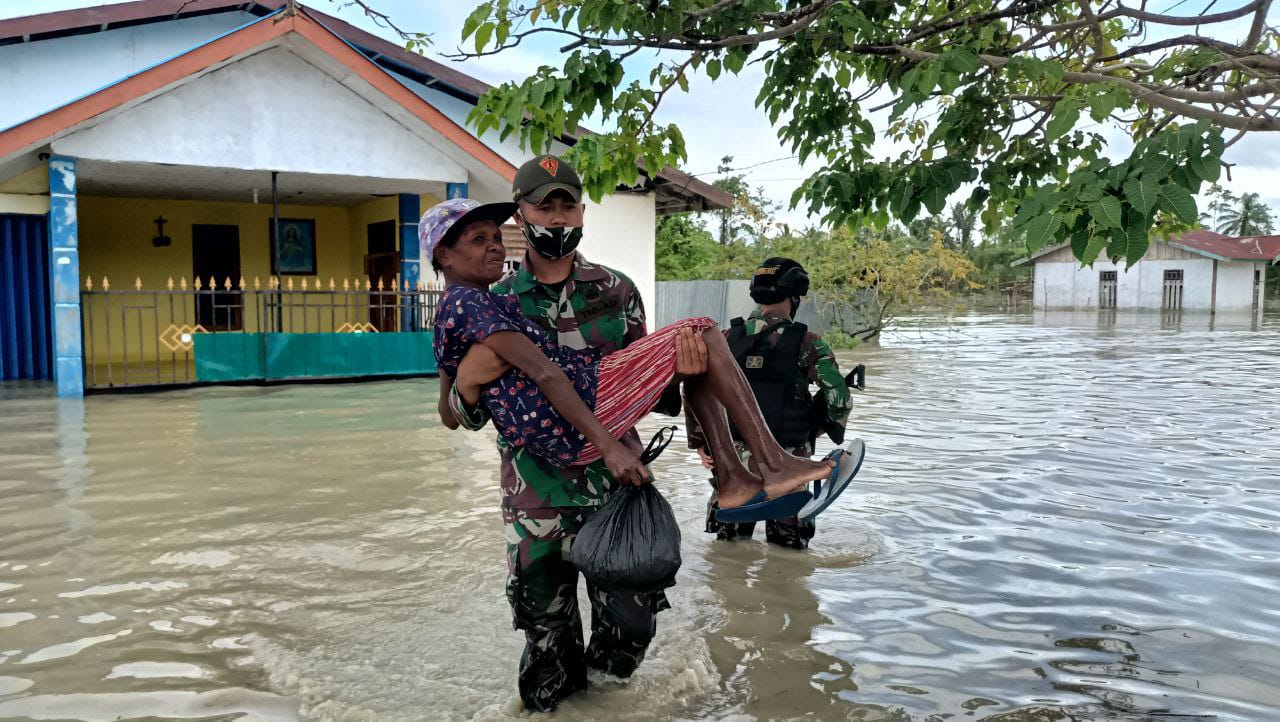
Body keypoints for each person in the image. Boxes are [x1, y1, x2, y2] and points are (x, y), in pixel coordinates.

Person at [432, 156, 703, 713]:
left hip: (616, 489)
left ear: (582, 211)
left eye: (568, 204)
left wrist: (682, 371)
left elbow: (646, 393)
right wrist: (467, 383)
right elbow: (464, 415)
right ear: (523, 216)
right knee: (548, 647)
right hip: (537, 501)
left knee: (631, 632)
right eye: (543, 206)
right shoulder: (491, 299)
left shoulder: (618, 292)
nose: (557, 217)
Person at [693, 257, 854, 550]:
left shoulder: (726, 339)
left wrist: (702, 445)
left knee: (727, 557)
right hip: (790, 467)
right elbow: (839, 398)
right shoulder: (809, 342)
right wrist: (817, 430)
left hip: (733, 469)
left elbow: (696, 388)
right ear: (796, 297)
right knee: (790, 561)